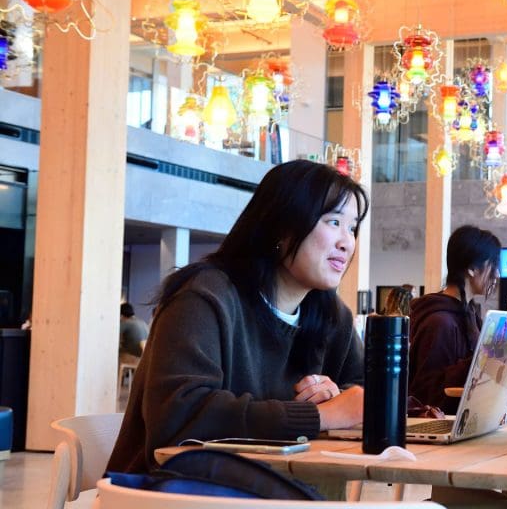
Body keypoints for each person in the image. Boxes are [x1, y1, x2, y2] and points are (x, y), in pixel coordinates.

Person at [107, 160, 368, 473]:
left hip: (273, 489)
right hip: (169, 493)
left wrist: (339, 397)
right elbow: (177, 417)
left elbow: (367, 395)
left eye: (352, 228)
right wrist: (323, 416)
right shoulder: (205, 297)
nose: (346, 242)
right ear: (282, 227)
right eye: (333, 221)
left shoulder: (331, 316)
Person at [408, 225, 501, 414]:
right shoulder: (439, 322)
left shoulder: (469, 315)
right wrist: (482, 360)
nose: (497, 274)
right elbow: (427, 394)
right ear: (473, 268)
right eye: (493, 265)